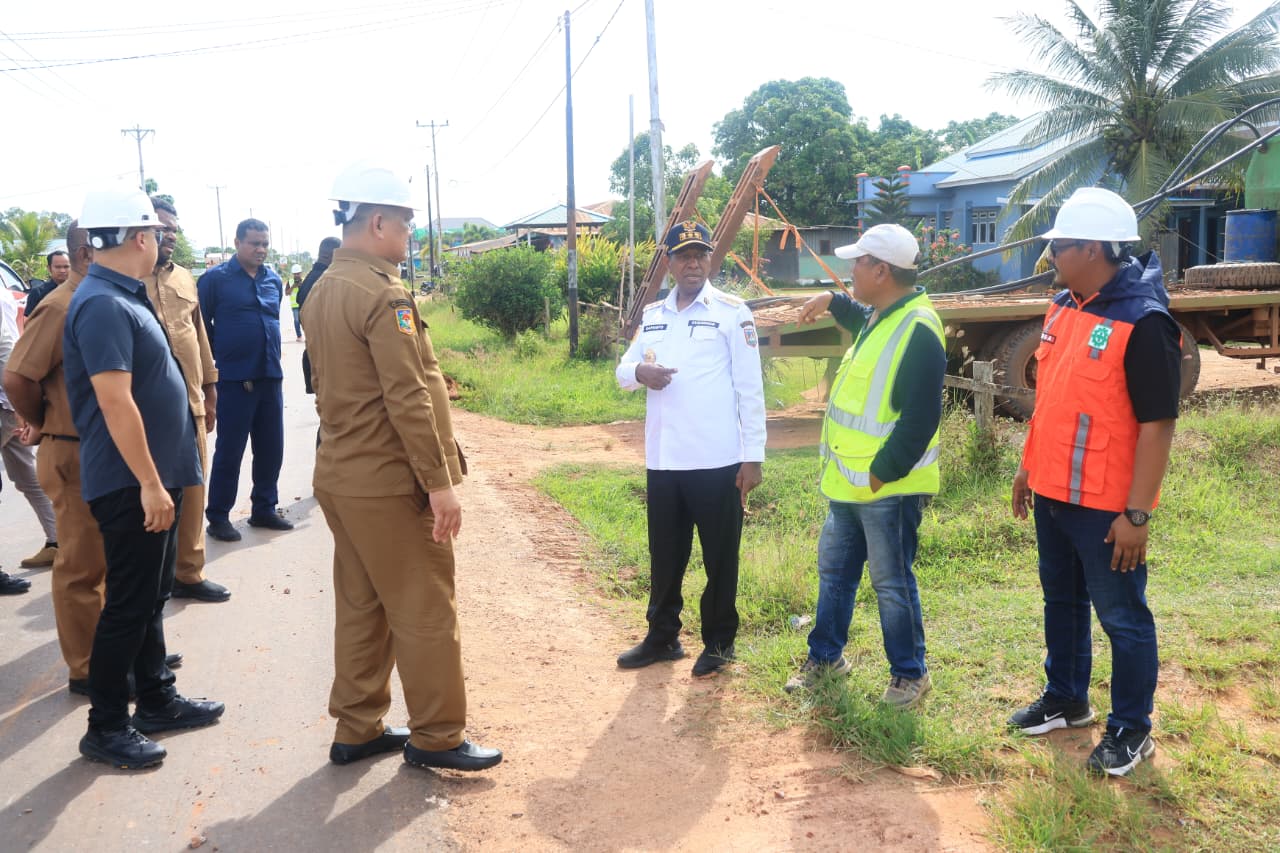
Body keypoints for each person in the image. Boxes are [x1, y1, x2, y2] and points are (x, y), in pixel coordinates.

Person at [302, 161, 500, 772]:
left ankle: (357, 726)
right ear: (378, 221)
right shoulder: (382, 293)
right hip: (388, 483)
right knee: (424, 610)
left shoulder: (324, 286)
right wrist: (440, 485)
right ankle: (437, 735)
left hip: (341, 474)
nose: (410, 235)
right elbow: (408, 397)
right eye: (407, 225)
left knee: (363, 606)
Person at [1008, 187, 1179, 777]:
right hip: (1054, 492)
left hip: (1106, 508)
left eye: (1060, 244)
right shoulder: (1064, 305)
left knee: (1124, 620)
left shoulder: (1144, 321)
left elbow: (1158, 427)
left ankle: (1132, 730)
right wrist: (1028, 469)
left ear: (1094, 248)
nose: (1052, 252)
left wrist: (1136, 516)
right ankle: (1067, 699)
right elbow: (1052, 401)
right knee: (1062, 601)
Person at [63, 185, 223, 769]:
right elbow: (115, 402)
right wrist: (152, 484)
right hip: (133, 483)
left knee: (151, 598)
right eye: (155, 233)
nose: (160, 241)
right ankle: (105, 726)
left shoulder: (121, 295)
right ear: (138, 237)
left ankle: (155, 698)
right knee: (128, 605)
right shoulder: (104, 303)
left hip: (151, 477)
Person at [783, 224, 945, 708]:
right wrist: (833, 299)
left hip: (886, 488)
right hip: (847, 485)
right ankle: (826, 657)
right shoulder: (882, 314)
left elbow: (920, 418)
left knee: (892, 584)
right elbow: (859, 321)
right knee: (835, 575)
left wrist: (882, 474)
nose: (850, 270)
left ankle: (910, 674)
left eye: (857, 263)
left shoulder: (918, 328)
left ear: (881, 270)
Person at [614, 220, 766, 677]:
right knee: (665, 555)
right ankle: (662, 637)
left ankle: (719, 642)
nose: (693, 263)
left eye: (700, 254)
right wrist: (641, 373)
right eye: (683, 256)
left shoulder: (730, 311)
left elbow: (750, 388)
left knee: (720, 556)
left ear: (710, 259)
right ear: (670, 263)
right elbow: (624, 367)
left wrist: (752, 456)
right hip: (664, 460)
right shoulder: (656, 314)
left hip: (716, 459)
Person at [145, 197, 230, 603]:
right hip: (144, 414)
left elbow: (199, 337)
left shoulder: (184, 279)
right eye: (163, 227)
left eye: (174, 229)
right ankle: (151, 586)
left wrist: (210, 391)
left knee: (194, 490)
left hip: (191, 405)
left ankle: (189, 574)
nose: (170, 235)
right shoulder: (123, 279)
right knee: (151, 500)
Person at [197, 218, 292, 542]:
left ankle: (264, 508)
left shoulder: (273, 280)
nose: (261, 249)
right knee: (230, 450)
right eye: (254, 243)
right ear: (237, 243)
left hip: (269, 376)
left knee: (271, 448)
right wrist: (215, 363)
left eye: (265, 243)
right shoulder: (214, 280)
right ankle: (219, 516)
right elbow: (201, 326)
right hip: (234, 380)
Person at [0, 287, 60, 569]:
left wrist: (18, 407)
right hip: (9, 403)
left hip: (6, 402)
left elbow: (6, 347)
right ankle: (58, 540)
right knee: (26, 475)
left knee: (27, 476)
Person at [296, 236, 340, 396]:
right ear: (332, 255)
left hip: (317, 355)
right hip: (327, 360)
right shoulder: (325, 281)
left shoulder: (311, 279)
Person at [23, 249, 72, 318]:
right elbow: (29, 322)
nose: (62, 270)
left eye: (66, 267)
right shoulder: (37, 293)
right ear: (49, 268)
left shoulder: (80, 292)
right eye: (58, 267)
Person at [286, 263, 304, 341]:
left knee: (305, 321)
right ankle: (299, 336)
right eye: (295, 274)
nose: (296, 275)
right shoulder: (290, 282)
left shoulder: (305, 281)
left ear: (301, 273)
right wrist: (293, 286)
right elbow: (287, 293)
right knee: (296, 321)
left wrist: (301, 285)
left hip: (304, 304)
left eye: (298, 273)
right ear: (293, 274)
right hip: (295, 305)